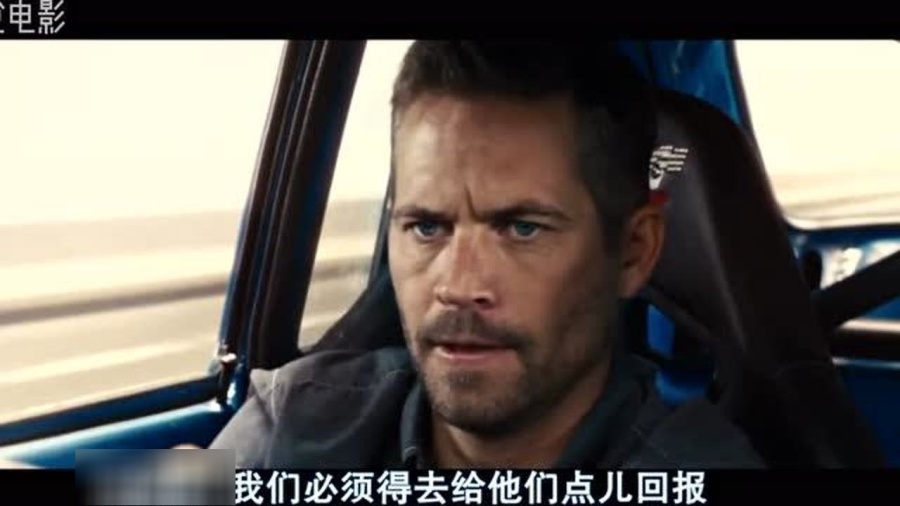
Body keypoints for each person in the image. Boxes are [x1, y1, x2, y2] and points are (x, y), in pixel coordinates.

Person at [208, 40, 765, 469]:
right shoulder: (293, 421)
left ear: (632, 252)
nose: (459, 285)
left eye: (522, 229)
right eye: (427, 227)